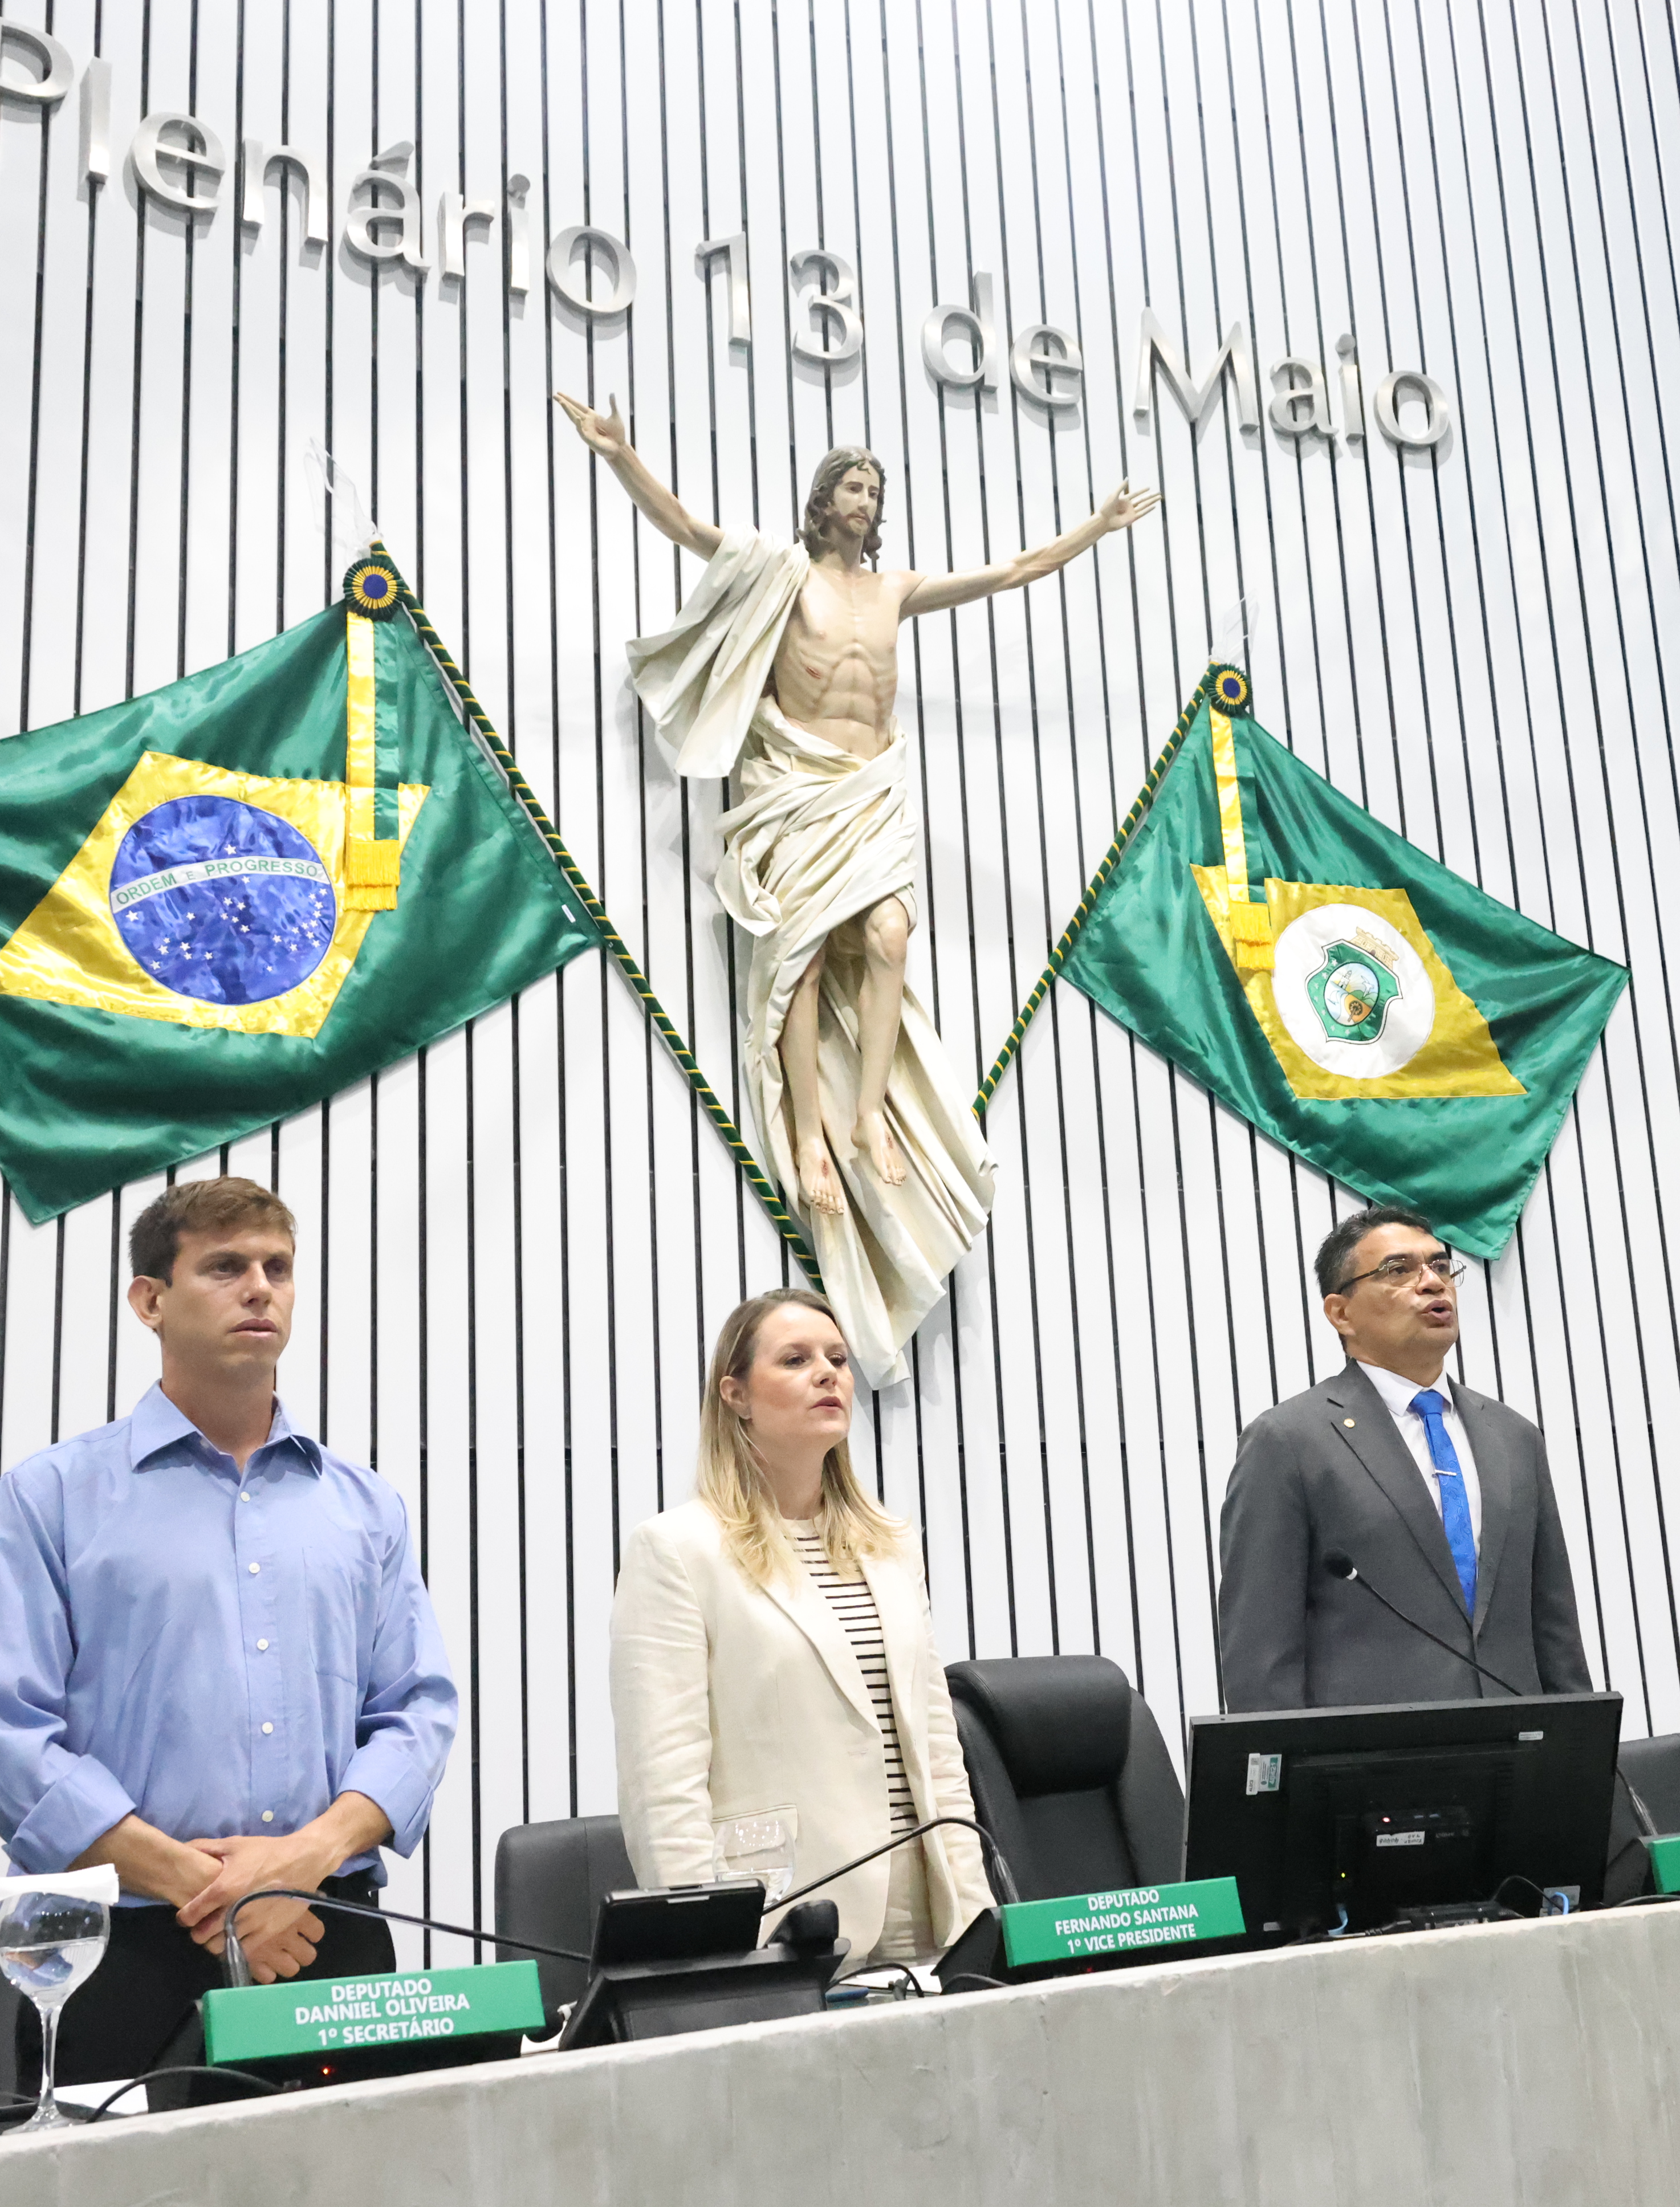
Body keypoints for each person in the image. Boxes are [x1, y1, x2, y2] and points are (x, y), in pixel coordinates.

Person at [558, 392, 1157, 1389]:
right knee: (794, 955)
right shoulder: (782, 572)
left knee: (886, 935)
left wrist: (1092, 529)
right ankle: (806, 1127)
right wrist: (620, 456)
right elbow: (687, 528)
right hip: (792, 783)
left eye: (874, 488)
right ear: (821, 500)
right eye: (850, 483)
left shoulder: (897, 591)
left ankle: (870, 1109)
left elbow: (1007, 573)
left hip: (870, 785)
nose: (863, 497)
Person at [0, 1178, 458, 2090]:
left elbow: (416, 1714)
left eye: (278, 1268)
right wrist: (207, 1887)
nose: (259, 1287)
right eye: (224, 1267)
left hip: (322, 1935)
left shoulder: (366, 1507)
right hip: (119, 1952)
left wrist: (301, 1862)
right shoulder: (50, 1499)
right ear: (150, 1300)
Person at [611, 1290, 995, 1965]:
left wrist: (977, 1910)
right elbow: (663, 1787)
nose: (829, 1373)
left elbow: (938, 1748)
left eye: (839, 1359)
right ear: (736, 1395)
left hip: (936, 1925)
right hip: (784, 1930)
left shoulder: (892, 1545)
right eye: (796, 1359)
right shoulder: (677, 1550)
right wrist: (709, 1956)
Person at [1215, 1206, 1594, 1711]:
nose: (1433, 1283)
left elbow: (1554, 1625)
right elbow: (1260, 1651)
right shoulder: (1289, 1442)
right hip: (1372, 1765)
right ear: (1341, 1313)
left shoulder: (1514, 1437)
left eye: (1440, 1267)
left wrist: (1583, 1756)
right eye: (1399, 1271)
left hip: (1516, 1755)